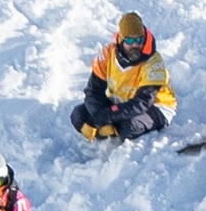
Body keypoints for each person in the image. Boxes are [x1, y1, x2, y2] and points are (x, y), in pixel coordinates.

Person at [73, 12, 177, 141]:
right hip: (121, 103)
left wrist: (106, 117)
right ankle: (108, 132)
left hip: (154, 107)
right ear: (121, 40)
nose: (135, 45)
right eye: (129, 40)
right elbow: (93, 92)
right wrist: (99, 117)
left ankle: (116, 132)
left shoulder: (153, 62)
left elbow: (143, 102)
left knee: (127, 127)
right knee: (79, 116)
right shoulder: (108, 55)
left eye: (139, 40)